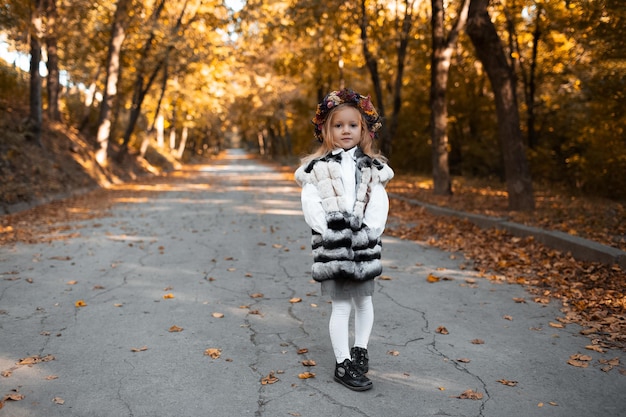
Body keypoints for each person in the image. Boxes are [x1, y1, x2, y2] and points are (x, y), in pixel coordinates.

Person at [294, 88, 394, 391]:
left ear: (363, 129)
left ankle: (360, 350)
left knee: (364, 300)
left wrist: (371, 233)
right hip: (333, 246)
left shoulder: (372, 167)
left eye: (353, 125)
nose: (346, 130)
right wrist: (328, 233)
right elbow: (311, 203)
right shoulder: (317, 168)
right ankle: (342, 362)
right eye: (338, 125)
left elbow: (379, 201)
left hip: (364, 245)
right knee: (341, 306)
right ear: (327, 130)